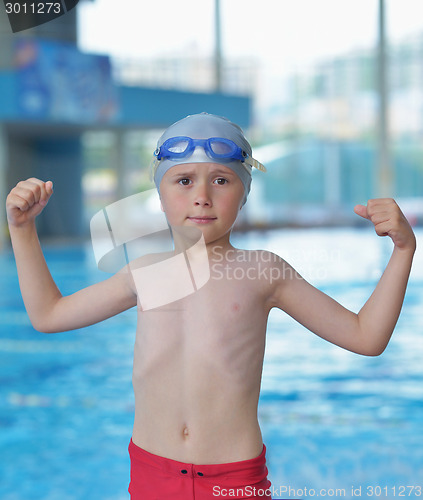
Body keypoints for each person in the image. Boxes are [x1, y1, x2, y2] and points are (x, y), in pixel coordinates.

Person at [6, 113, 416, 500]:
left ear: (244, 192)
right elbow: (50, 315)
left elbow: (366, 336)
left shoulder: (262, 271)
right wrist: (23, 231)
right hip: (152, 473)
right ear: (160, 194)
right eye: (183, 180)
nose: (202, 197)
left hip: (234, 479)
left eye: (221, 180)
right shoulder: (145, 273)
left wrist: (403, 250)